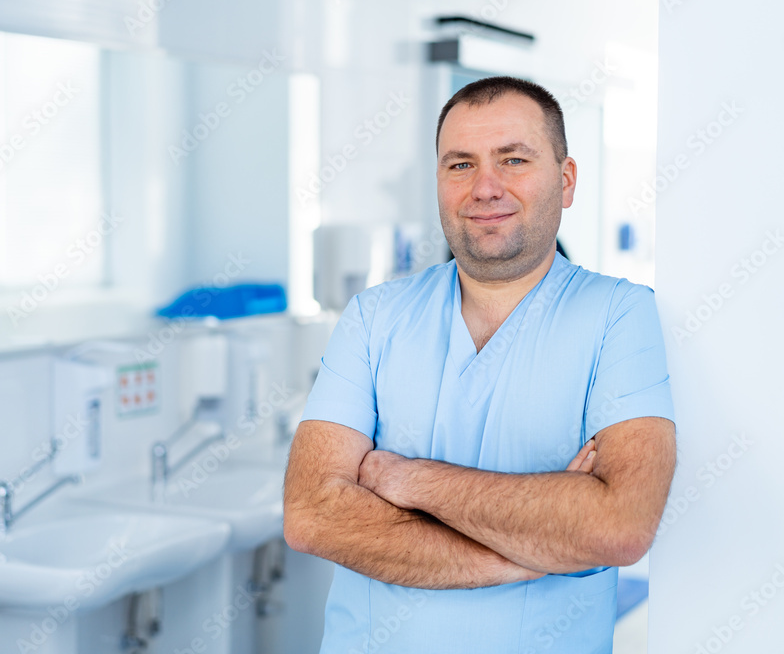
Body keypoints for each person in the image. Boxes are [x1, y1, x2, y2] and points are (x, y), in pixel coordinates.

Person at [282, 76, 676, 653]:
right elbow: (311, 515)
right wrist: (526, 549)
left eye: (513, 160)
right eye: (460, 165)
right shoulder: (373, 317)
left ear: (565, 181)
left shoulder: (619, 314)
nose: (485, 188)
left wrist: (403, 478)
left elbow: (618, 526)